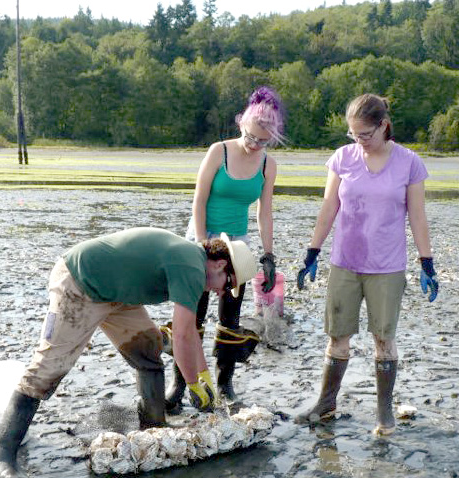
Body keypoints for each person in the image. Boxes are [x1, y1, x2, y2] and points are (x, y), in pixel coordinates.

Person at [0, 226, 257, 478]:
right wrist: (194, 385)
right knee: (48, 369)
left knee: (147, 351)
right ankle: (0, 454)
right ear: (220, 265)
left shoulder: (192, 261)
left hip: (117, 294)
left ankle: (154, 432)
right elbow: (184, 335)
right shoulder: (192, 267)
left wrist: (204, 377)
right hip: (80, 284)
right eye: (228, 285)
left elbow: (191, 337)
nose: (222, 293)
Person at [295, 93, 439, 436]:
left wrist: (427, 263)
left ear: (383, 126)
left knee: (383, 340)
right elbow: (329, 208)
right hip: (345, 262)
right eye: (353, 135)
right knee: (337, 336)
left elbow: (418, 218)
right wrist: (312, 253)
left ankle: (384, 413)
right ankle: (326, 404)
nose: (360, 142)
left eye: (365, 135)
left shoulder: (409, 163)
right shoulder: (342, 159)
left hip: (387, 266)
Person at [163, 86, 286, 412]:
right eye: (250, 136)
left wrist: (268, 256)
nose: (254, 144)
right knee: (192, 316)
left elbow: (264, 211)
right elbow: (199, 200)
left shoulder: (267, 165)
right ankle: (179, 384)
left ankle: (225, 383)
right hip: (200, 240)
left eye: (262, 141)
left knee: (230, 316)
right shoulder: (220, 151)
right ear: (241, 125)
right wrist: (203, 247)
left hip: (237, 248)